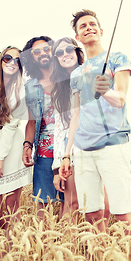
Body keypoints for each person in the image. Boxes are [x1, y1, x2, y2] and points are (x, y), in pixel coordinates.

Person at [60, 9, 131, 233]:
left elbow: (120, 99)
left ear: (101, 31)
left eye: (92, 24)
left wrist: (105, 92)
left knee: (123, 215)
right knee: (92, 215)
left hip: (112, 144)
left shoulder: (118, 59)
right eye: (83, 26)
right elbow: (76, 116)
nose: (88, 28)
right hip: (83, 150)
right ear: (77, 38)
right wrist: (67, 154)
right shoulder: (76, 74)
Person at [50, 37, 110, 225]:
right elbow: (59, 129)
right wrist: (58, 165)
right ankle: (69, 252)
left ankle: (98, 250)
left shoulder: (92, 74)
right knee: (72, 205)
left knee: (103, 207)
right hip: (72, 153)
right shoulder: (59, 89)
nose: (65, 54)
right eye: (59, 52)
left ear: (77, 51)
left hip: (97, 147)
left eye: (69, 49)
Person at [0, 47, 32, 230]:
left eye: (17, 60)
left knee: (12, 207)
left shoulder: (22, 90)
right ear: (1, 60)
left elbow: (11, 126)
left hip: (9, 147)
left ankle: (11, 251)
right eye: (7, 58)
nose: (12, 62)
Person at [21, 36, 64, 218]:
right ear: (31, 58)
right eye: (36, 51)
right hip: (44, 152)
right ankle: (43, 247)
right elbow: (32, 121)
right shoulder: (30, 87)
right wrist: (27, 145)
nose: (42, 53)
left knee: (69, 202)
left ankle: (68, 244)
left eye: (46, 49)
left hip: (69, 148)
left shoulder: (68, 76)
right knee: (43, 203)